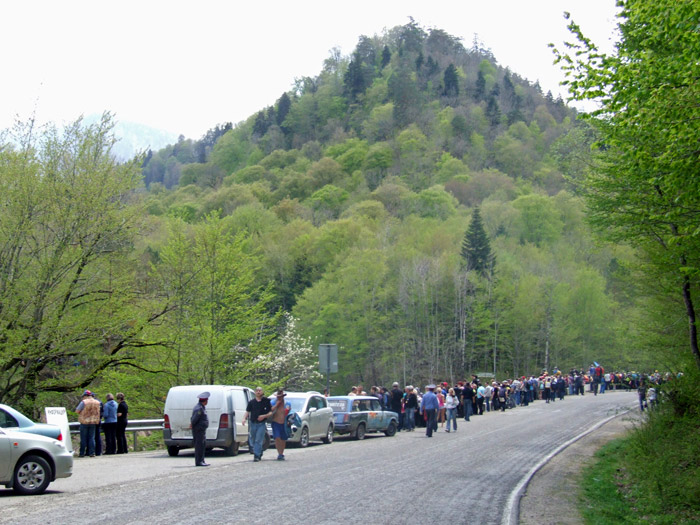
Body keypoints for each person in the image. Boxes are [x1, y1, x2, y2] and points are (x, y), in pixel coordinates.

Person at [242, 386, 272, 462]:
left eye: (260, 390)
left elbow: (270, 412)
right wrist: (244, 419)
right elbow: (247, 411)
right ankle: (260, 450)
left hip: (261, 424)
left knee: (258, 439)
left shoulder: (266, 401)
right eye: (257, 390)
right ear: (255, 392)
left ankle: (256, 455)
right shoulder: (251, 402)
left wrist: (264, 416)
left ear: (262, 392)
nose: (258, 392)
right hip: (253, 423)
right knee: (253, 438)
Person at [76, 390, 101, 457]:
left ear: (85, 396)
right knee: (92, 438)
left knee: (83, 438)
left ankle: (82, 453)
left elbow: (77, 411)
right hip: (93, 421)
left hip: (84, 421)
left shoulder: (84, 402)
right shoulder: (97, 402)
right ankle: (92, 452)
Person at [269, 389, 290, 461]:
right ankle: (279, 453)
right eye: (279, 396)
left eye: (281, 396)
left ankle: (281, 453)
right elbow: (270, 410)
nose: (280, 398)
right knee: (277, 437)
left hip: (284, 423)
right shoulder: (273, 402)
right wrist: (277, 404)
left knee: (283, 438)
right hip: (275, 422)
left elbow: (289, 412)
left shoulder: (287, 403)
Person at [191, 391, 210, 466]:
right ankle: (199, 461)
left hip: (201, 430)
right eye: (207, 400)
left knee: (202, 445)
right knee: (199, 446)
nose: (207, 402)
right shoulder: (198, 408)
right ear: (205, 401)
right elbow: (194, 419)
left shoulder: (202, 407)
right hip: (198, 430)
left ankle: (202, 460)